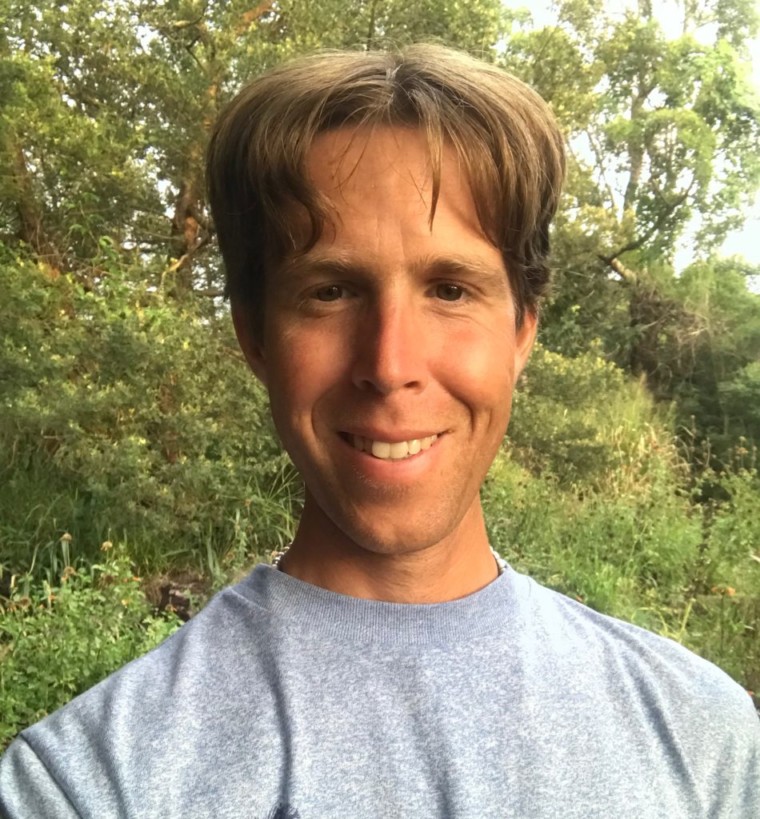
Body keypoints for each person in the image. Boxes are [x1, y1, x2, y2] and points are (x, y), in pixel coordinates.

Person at [0, 44, 757, 819]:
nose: (390, 365)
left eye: (450, 289)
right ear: (254, 336)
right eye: (331, 291)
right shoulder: (88, 784)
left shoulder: (706, 738)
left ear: (522, 330)